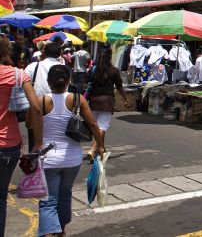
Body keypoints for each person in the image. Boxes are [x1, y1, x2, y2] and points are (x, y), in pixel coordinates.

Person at [39, 65, 104, 237]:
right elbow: (92, 124)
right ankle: (61, 231)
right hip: (72, 159)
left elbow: (31, 125)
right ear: (68, 81)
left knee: (49, 200)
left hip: (48, 159)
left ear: (48, 82)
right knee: (65, 194)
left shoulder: (42, 101)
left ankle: (48, 234)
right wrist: (101, 145)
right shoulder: (77, 99)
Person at [0, 36, 43, 236]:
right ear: (7, 51)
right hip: (9, 144)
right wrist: (38, 140)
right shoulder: (18, 75)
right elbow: (35, 107)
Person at [86, 48, 129, 160]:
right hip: (107, 101)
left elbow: (85, 84)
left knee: (96, 127)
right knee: (102, 127)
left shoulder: (93, 70)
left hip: (93, 101)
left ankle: (102, 149)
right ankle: (93, 150)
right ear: (110, 57)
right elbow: (119, 86)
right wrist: (125, 98)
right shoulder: (113, 70)